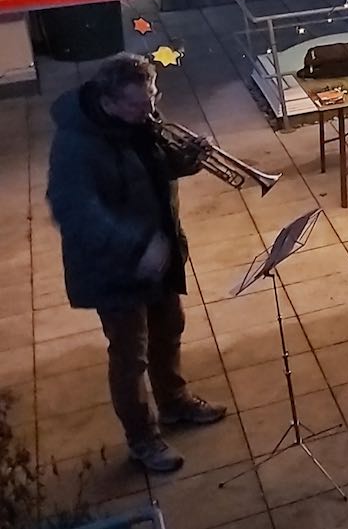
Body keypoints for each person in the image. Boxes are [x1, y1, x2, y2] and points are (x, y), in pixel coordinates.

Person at [46, 53, 226, 473]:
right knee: (131, 357)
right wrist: (137, 245)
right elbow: (75, 212)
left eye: (153, 98)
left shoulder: (139, 121)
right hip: (115, 267)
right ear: (109, 102)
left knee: (169, 331)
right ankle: (143, 441)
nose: (150, 110)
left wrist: (187, 158)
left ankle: (175, 403)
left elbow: (154, 167)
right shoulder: (77, 143)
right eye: (139, 104)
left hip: (157, 255)